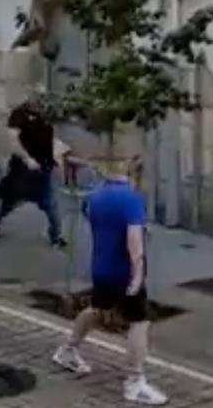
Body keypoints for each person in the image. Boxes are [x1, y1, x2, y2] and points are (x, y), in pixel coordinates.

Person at [52, 158, 167, 405]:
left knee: (96, 310)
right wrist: (137, 275)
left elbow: (99, 221)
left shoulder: (95, 196)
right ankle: (135, 383)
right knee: (140, 322)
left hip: (100, 268)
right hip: (122, 272)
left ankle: (68, 350)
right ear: (134, 175)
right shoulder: (131, 200)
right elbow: (133, 246)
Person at [0, 100, 68, 247]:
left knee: (50, 205)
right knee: (11, 202)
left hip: (43, 170)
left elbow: (50, 142)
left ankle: (55, 236)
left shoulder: (45, 121)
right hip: (23, 171)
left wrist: (57, 158)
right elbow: (12, 142)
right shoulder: (19, 117)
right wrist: (27, 159)